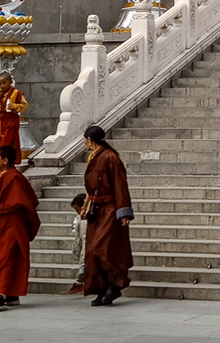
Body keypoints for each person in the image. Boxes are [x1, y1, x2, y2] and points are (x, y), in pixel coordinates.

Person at [0, 145, 40, 312]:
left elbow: (17, 204)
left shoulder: (14, 178)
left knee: (7, 258)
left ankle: (2, 294)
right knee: (3, 259)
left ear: (5, 161)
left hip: (12, 224)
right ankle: (12, 294)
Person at [83, 125, 134, 307]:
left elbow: (120, 185)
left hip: (110, 209)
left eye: (85, 141)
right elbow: (91, 187)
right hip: (96, 210)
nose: (85, 144)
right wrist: (86, 205)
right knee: (91, 251)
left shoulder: (111, 158)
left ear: (89, 140)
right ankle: (102, 288)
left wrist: (124, 211)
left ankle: (115, 284)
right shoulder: (94, 158)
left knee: (101, 249)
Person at [0, 72, 27, 165]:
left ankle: (7, 160)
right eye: (0, 83)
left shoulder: (16, 93)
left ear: (10, 82)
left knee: (7, 141)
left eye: (4, 83)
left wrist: (13, 106)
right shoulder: (0, 93)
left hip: (11, 120)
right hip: (1, 121)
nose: (2, 85)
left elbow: (24, 105)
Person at [68, 193, 87, 295]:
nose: (77, 212)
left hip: (87, 241)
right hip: (81, 241)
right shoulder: (79, 217)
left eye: (77, 209)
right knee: (82, 260)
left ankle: (81, 280)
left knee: (84, 260)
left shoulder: (87, 218)